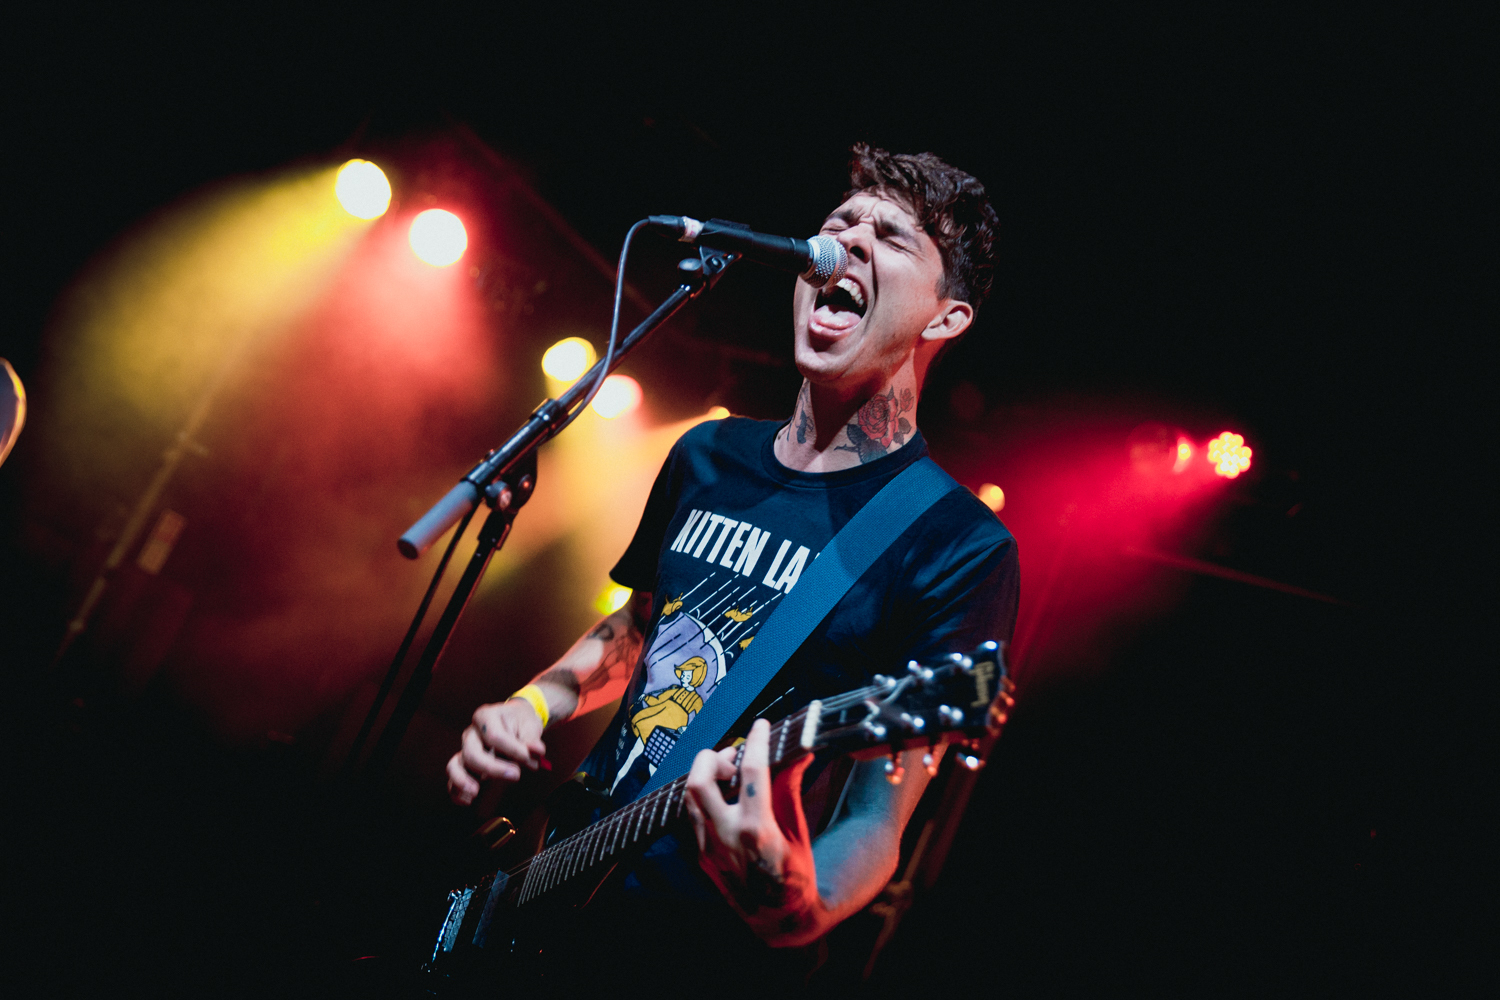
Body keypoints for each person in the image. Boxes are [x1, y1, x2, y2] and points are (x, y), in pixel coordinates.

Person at [445, 144, 1018, 966]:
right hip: (556, 880)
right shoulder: (707, 456)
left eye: (890, 238)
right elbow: (640, 626)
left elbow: (876, 821)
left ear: (945, 316)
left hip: (699, 949)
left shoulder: (956, 543)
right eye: (839, 223)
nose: (850, 241)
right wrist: (535, 705)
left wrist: (794, 905)